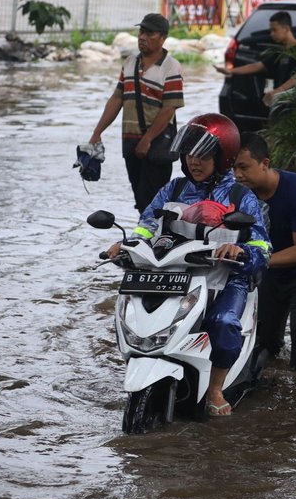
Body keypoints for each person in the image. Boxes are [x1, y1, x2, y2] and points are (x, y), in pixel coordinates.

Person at [107, 113, 271, 416]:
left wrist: (241, 250)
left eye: (204, 156)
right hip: (175, 272)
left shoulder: (240, 196)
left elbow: (262, 244)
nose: (194, 162)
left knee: (222, 323)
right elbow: (147, 225)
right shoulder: (173, 189)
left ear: (223, 158)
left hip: (224, 274)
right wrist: (126, 244)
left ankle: (215, 388)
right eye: (190, 154)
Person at [234, 132, 296, 374]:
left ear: (265, 163)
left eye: (244, 167)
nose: (237, 175)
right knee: (263, 341)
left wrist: (255, 260)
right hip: (270, 265)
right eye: (233, 168)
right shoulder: (239, 194)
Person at [88, 13, 185, 213]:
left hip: (158, 144)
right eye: (141, 31)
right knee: (140, 199)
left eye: (150, 33)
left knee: (152, 200)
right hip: (130, 141)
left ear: (163, 38)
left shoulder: (171, 67)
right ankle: (146, 238)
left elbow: (169, 109)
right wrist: (97, 132)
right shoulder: (130, 63)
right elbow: (117, 98)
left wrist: (147, 139)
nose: (143, 37)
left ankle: (152, 239)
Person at [215, 11, 296, 106]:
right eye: (271, 30)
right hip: (279, 100)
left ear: (286, 29)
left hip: (292, 102)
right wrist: (231, 71)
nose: (271, 34)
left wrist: (277, 92)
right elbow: (259, 66)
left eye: (274, 30)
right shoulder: (280, 51)